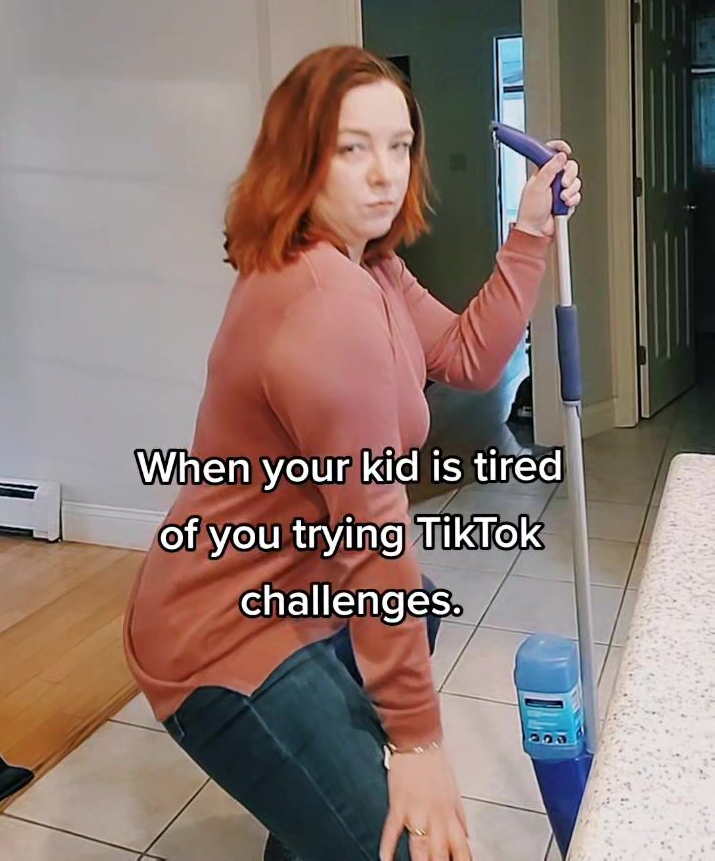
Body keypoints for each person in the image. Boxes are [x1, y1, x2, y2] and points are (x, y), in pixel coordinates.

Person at [123, 45, 582, 861]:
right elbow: (373, 537)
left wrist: (529, 229)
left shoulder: (371, 267)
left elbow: (469, 357)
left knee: (417, 611)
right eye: (352, 147)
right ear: (298, 156)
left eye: (399, 146)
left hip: (299, 587)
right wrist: (417, 742)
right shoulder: (323, 303)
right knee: (395, 846)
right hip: (223, 630)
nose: (384, 173)